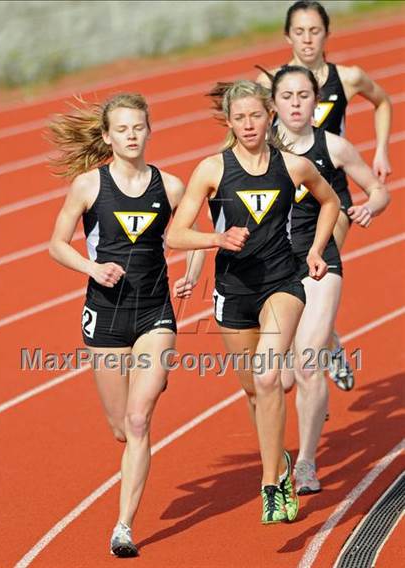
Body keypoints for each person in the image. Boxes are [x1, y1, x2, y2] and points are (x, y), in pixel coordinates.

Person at [166, 79, 340, 523]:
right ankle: (279, 459)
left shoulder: (293, 166)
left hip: (283, 282)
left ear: (270, 117)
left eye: (255, 116)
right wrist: (217, 238)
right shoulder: (212, 170)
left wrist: (317, 250)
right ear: (229, 121)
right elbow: (176, 233)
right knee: (254, 390)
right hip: (233, 294)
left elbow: (330, 201)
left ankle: (271, 483)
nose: (248, 124)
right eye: (239, 117)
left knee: (267, 378)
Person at [48, 93, 204, 557]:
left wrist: (192, 275)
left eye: (139, 127)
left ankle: (123, 527)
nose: (132, 135)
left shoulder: (171, 187)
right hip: (106, 317)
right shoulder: (87, 186)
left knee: (139, 420)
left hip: (155, 312)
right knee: (120, 426)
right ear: (107, 136)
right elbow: (56, 244)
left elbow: (195, 233)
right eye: (123, 129)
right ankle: (146, 385)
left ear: (149, 130)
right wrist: (93, 269)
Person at [256, 0, 393, 390]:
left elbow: (382, 101)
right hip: (286, 197)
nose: (307, 40)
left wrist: (381, 149)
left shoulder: (347, 78)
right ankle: (327, 338)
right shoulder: (273, 85)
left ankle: (318, 345)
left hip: (333, 191)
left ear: (327, 34)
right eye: (299, 32)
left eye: (314, 31)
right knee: (293, 276)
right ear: (287, 37)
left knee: (320, 267)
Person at [269, 65, 390, 494]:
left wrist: (369, 208)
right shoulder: (257, 149)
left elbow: (379, 190)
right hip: (271, 267)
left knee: (305, 364)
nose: (297, 104)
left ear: (317, 101)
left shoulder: (333, 146)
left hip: (320, 261)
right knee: (278, 379)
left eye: (305, 96)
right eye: (288, 96)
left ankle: (305, 462)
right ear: (275, 103)